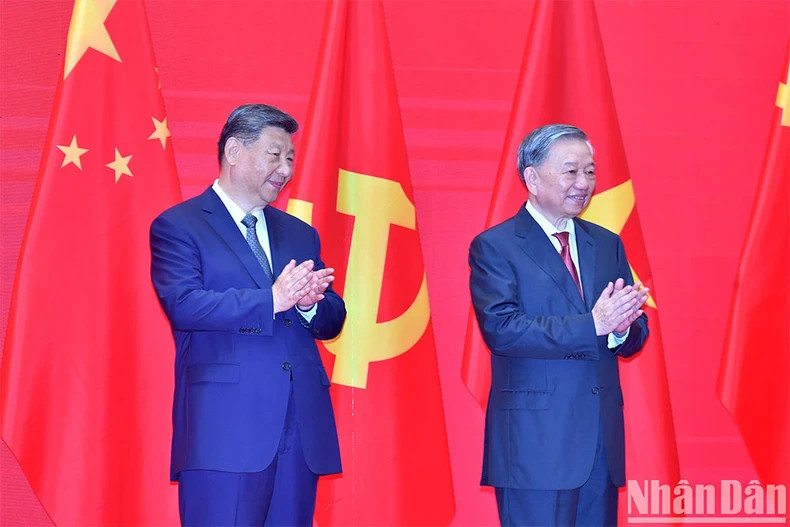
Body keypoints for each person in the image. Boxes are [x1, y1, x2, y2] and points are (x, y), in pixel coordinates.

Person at [150, 104, 346, 526]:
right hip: (225, 428)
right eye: (275, 155)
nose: (286, 168)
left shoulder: (299, 232)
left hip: (299, 428)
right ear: (234, 151)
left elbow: (333, 318)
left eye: (291, 158)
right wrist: (270, 300)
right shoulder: (179, 226)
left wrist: (310, 303)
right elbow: (184, 305)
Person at [469, 124, 650, 526]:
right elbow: (503, 329)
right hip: (535, 445)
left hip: (599, 444)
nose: (583, 183)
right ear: (532, 177)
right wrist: (595, 325)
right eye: (571, 171)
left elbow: (634, 329)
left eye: (590, 171)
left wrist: (621, 328)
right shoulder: (496, 246)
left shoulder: (606, 244)